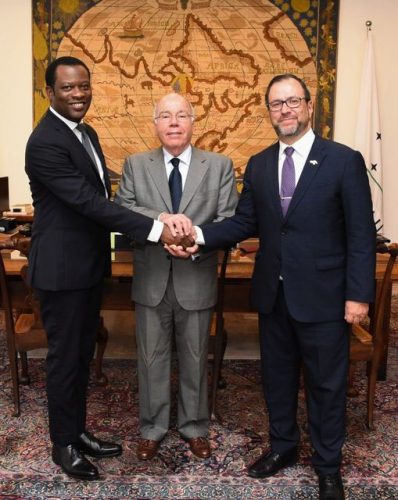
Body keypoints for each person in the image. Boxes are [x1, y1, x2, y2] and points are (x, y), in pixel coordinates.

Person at [170, 74, 376, 499]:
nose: (284, 110)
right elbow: (245, 222)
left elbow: (360, 234)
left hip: (324, 297)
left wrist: (358, 296)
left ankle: (327, 466)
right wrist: (198, 238)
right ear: (269, 112)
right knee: (276, 379)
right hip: (273, 295)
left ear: (308, 106)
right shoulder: (261, 163)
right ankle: (282, 447)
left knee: (326, 384)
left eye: (292, 101)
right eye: (276, 104)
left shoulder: (342, 160)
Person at [25, 57, 184, 481]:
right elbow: (90, 204)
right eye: (68, 89)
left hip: (88, 267)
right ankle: (64, 445)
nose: (78, 94)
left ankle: (77, 431)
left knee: (79, 355)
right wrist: (157, 228)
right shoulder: (44, 142)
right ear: (50, 93)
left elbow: (100, 200)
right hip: (61, 272)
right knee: (65, 360)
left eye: (84, 86)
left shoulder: (85, 132)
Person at [114, 92, 238, 460]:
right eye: (165, 116)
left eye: (181, 115)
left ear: (193, 122)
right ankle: (152, 428)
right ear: (155, 124)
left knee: (196, 356)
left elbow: (229, 221)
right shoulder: (136, 164)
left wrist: (195, 242)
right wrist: (162, 222)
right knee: (150, 357)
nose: (173, 122)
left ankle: (194, 426)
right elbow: (123, 210)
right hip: (151, 277)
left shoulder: (219, 165)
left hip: (197, 276)